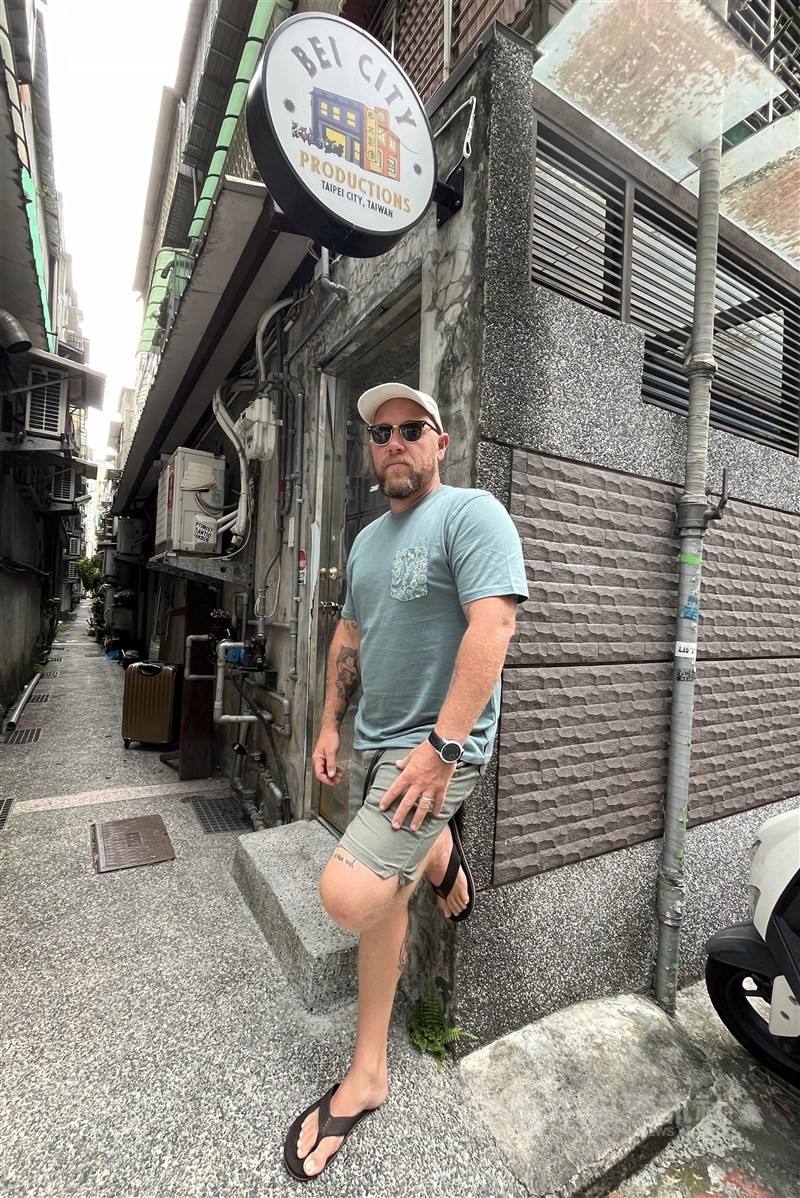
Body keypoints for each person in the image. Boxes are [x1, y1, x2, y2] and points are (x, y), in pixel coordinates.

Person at [284, 383, 529, 1181]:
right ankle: (369, 1073)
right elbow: (349, 633)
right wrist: (327, 723)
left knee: (349, 896)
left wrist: (441, 749)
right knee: (383, 900)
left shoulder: (471, 513)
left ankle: (435, 846)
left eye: (409, 429)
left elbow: (494, 624)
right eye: (380, 433)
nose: (393, 441)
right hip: (379, 744)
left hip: (435, 751)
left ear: (439, 442)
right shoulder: (363, 543)